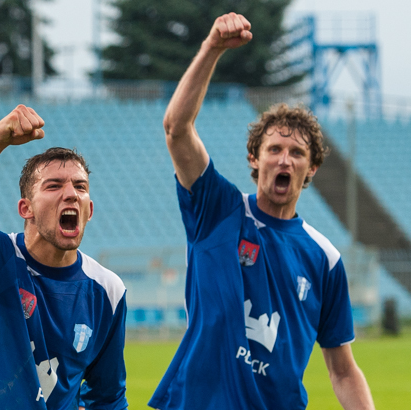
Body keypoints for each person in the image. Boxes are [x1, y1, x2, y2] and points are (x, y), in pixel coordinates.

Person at [149, 12, 375, 410]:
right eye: (274, 149)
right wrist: (212, 47)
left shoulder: (325, 260)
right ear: (255, 158)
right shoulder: (217, 210)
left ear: (312, 168)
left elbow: (342, 370)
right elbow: (176, 128)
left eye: (297, 153)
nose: (284, 160)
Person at [0, 105, 128, 410]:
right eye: (54, 185)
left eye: (80, 186)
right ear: (26, 209)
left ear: (89, 210)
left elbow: (108, 396)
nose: (71, 193)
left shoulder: (108, 291)